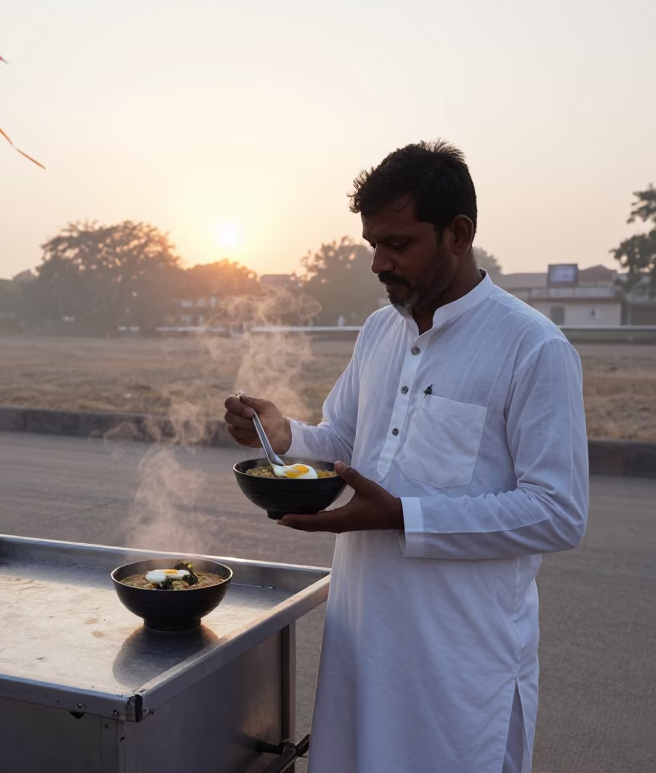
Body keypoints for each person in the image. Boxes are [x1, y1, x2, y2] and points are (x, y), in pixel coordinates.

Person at [223, 141, 588, 773]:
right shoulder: (379, 330)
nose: (378, 263)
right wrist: (284, 436)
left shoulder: (532, 348)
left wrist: (403, 516)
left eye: (397, 244)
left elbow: (558, 513)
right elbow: (343, 444)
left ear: (458, 233)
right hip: (365, 638)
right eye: (372, 244)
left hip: (459, 660)